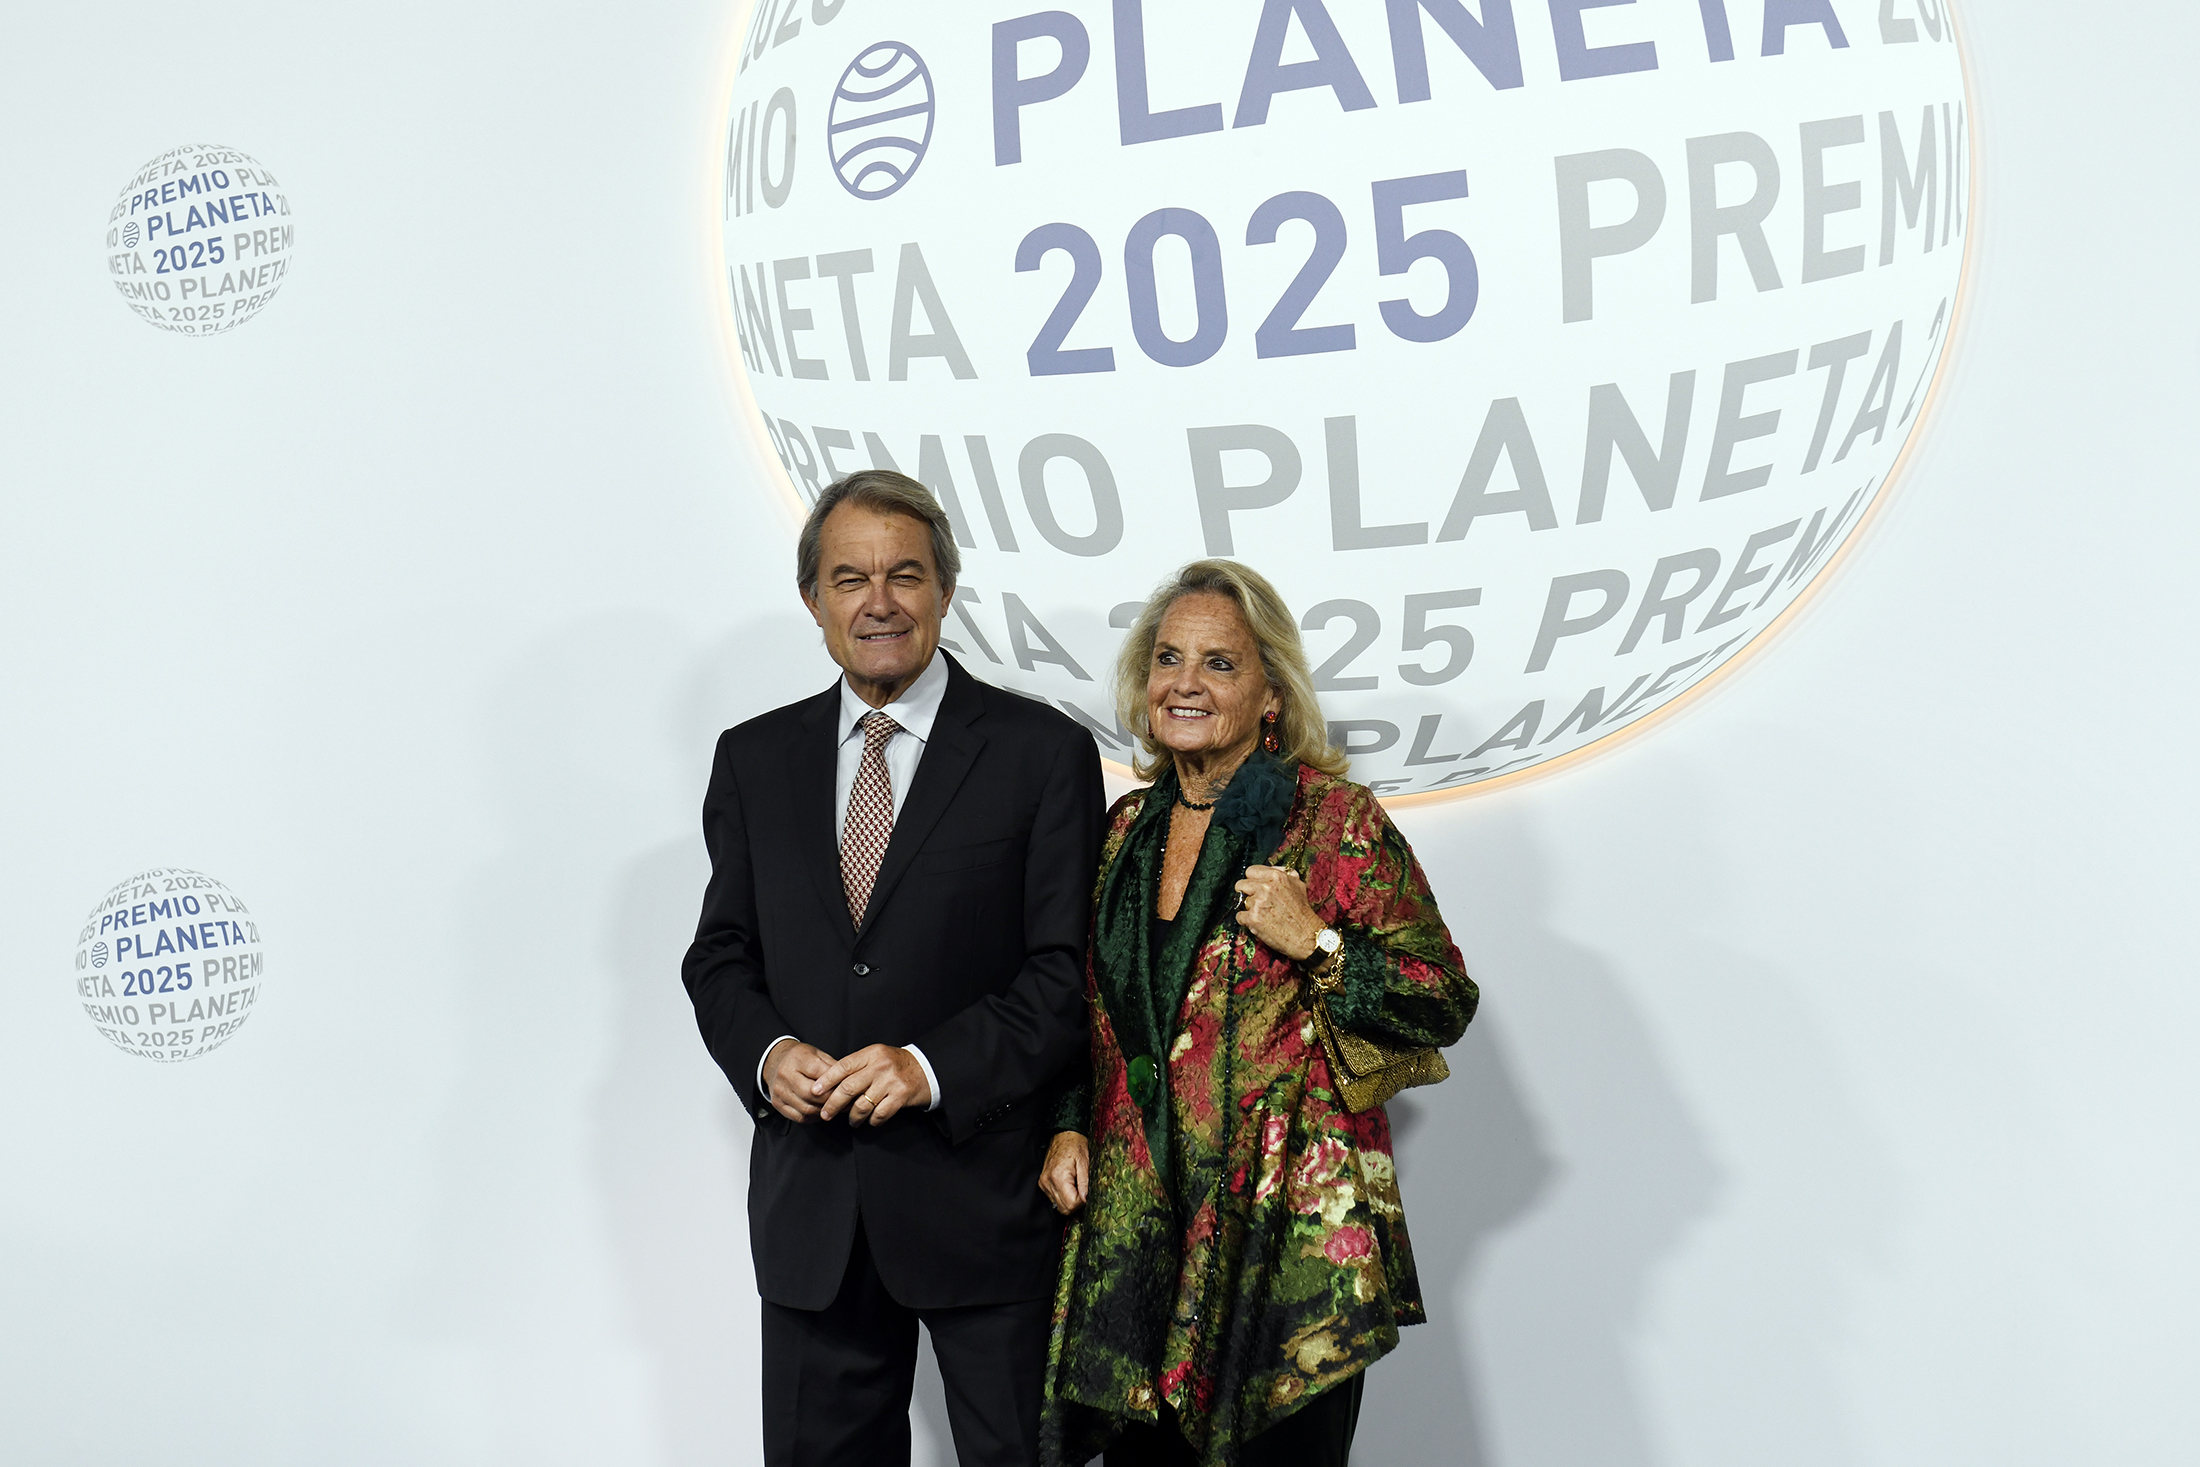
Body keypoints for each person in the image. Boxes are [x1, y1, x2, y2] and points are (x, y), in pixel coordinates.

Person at [681, 470, 1105, 1467]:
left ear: (945, 590)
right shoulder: (753, 759)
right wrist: (766, 1052)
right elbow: (721, 954)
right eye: (850, 578)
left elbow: (1065, 975)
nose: (879, 602)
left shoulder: (1041, 752)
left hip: (987, 1205)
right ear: (813, 600)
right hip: (812, 1212)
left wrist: (927, 1066)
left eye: (905, 575)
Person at [1037, 560, 1477, 1467]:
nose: (1185, 682)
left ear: (1271, 693)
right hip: (1139, 1238)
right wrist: (1070, 1122)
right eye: (1168, 658)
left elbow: (1442, 997)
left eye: (1219, 663)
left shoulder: (1334, 820)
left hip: (1281, 1249)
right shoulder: (1125, 829)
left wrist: (1319, 942)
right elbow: (1090, 1012)